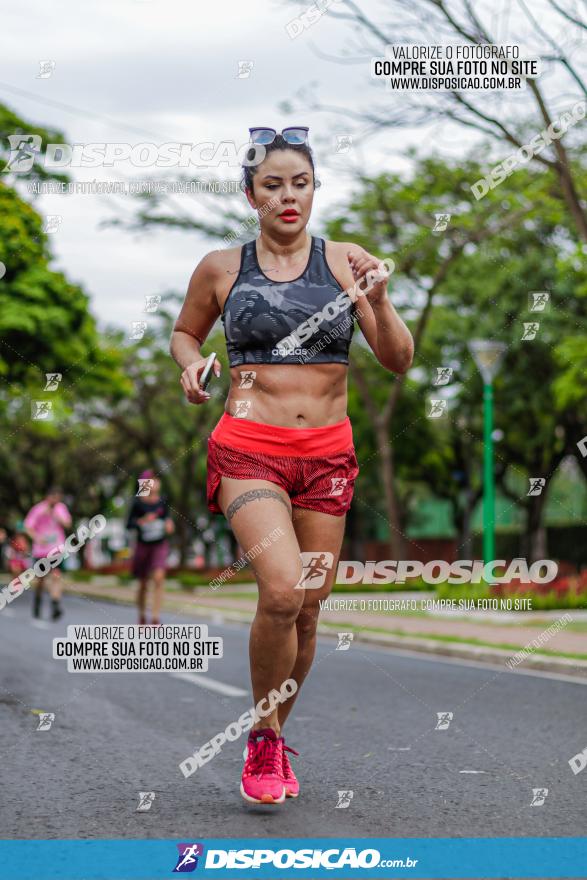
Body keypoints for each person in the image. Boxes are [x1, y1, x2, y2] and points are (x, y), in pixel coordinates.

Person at [170, 126, 414, 804]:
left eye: (299, 183)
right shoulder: (222, 267)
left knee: (308, 609)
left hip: (327, 458)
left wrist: (381, 299)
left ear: (313, 190)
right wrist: (193, 367)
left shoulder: (344, 262)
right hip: (248, 450)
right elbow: (185, 331)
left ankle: (269, 731)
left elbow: (396, 360)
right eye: (272, 184)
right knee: (280, 590)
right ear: (250, 194)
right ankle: (265, 740)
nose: (287, 196)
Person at [126, 471, 174, 626]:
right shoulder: (138, 503)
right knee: (143, 583)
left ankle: (155, 617)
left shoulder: (163, 501)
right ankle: (141, 615)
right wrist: (142, 521)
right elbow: (129, 524)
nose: (155, 483)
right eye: (151, 480)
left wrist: (168, 524)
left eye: (156, 480)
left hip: (159, 545)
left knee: (159, 578)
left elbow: (167, 519)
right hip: (143, 546)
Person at [24, 489, 72, 620]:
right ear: (48, 497)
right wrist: (37, 537)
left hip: (57, 549)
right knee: (41, 580)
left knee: (56, 576)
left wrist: (57, 516)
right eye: (53, 497)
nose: (55, 500)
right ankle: (37, 601)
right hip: (41, 550)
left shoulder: (61, 508)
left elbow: (68, 524)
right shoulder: (38, 509)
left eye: (58, 498)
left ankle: (55, 605)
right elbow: (28, 526)